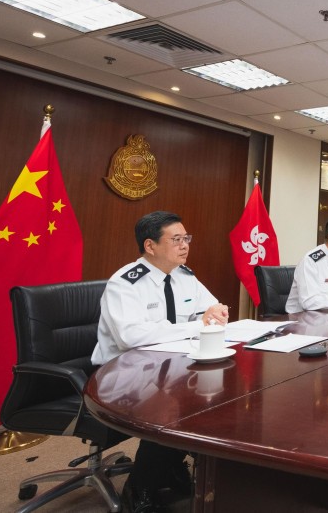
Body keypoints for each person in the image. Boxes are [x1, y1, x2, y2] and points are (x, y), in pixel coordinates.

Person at [92, 211, 229, 513]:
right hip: (123, 373)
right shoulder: (125, 283)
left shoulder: (184, 276)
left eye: (186, 238)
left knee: (214, 399)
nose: (185, 245)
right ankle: (139, 487)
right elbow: (132, 337)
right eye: (176, 239)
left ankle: (171, 468)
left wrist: (217, 312)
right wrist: (195, 325)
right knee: (171, 409)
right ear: (150, 245)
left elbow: (210, 307)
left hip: (170, 366)